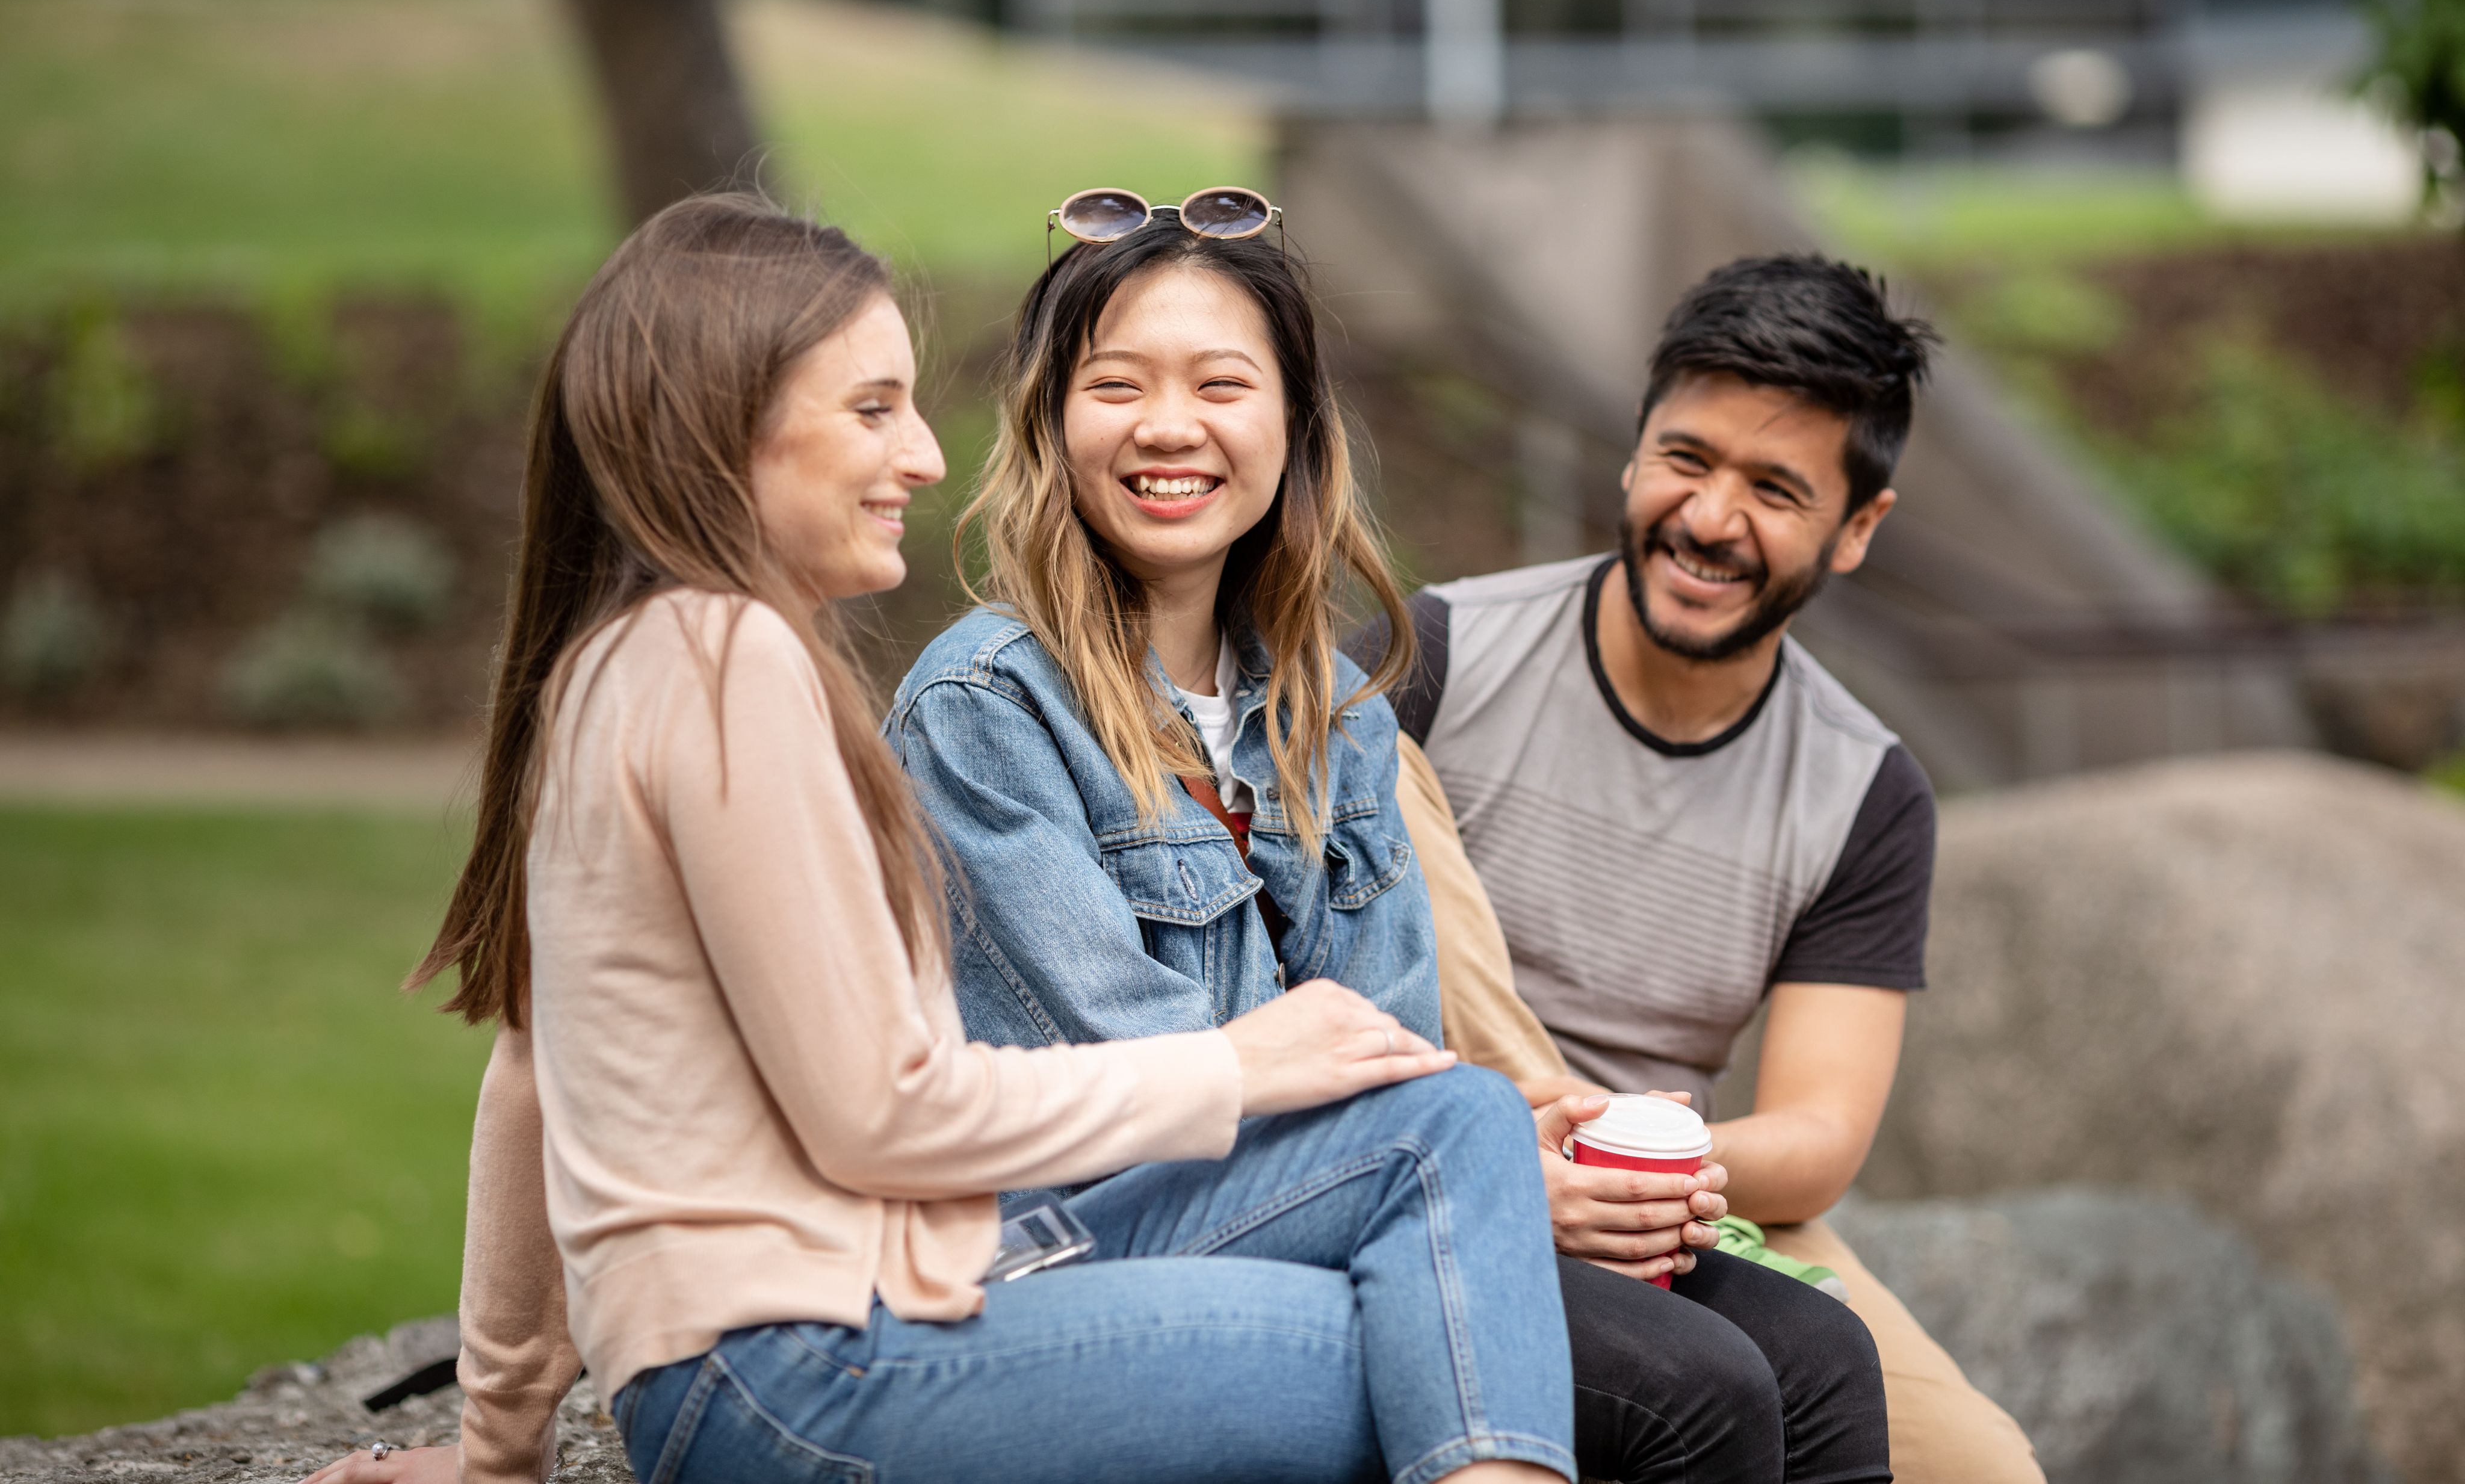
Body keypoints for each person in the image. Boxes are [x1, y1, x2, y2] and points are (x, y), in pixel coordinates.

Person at [300, 193, 1579, 1484]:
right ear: (723, 420)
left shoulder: (622, 662)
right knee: (1433, 1333)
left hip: (756, 1366)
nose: (920, 453)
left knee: (1447, 1199)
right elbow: (881, 1110)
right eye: (871, 409)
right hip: (801, 1367)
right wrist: (1236, 1065)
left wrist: (501, 1450)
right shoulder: (726, 661)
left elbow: (532, 1066)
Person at [889, 194, 1891, 1484]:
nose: (1167, 425)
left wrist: (1522, 1170)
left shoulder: (1332, 718)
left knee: (1815, 1353)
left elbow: (1393, 1042)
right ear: (1051, 423)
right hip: (1109, 1238)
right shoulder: (984, 707)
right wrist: (1478, 1180)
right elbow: (1132, 1083)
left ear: (1293, 429)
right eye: (1116, 384)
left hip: (1356, 1191)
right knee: (1691, 1391)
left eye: (1219, 383)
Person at [1359, 253, 2047, 1484]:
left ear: (1855, 529)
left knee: (1983, 1469)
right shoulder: (1438, 655)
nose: (1710, 518)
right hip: (1437, 1139)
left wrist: (1651, 1170)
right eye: (1686, 459)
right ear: (1631, 456)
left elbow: (1819, 1134)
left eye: (1774, 487)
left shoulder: (1861, 788)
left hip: (1690, 1191)